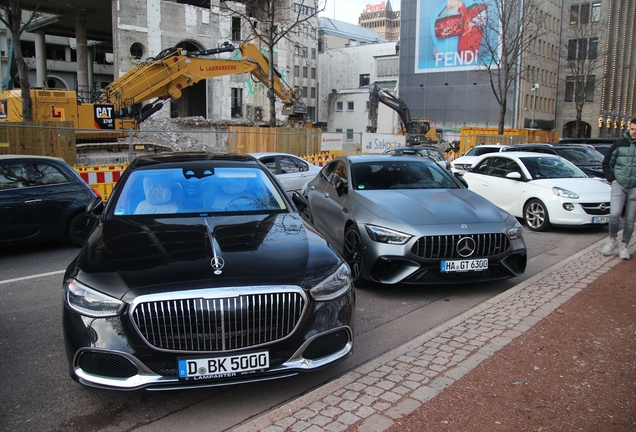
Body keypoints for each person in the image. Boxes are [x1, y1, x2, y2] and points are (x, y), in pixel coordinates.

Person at [601, 118, 636, 260]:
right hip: (619, 185)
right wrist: (613, 180)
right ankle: (613, 239)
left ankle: (624, 245)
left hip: (634, 187)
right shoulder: (619, 145)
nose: (634, 132)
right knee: (614, 214)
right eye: (633, 129)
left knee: (630, 218)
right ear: (629, 128)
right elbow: (606, 163)